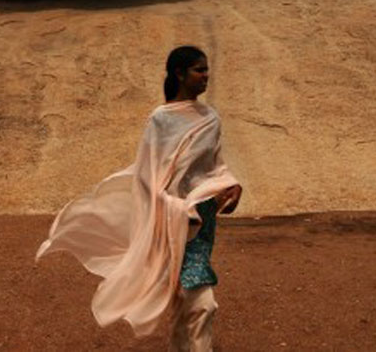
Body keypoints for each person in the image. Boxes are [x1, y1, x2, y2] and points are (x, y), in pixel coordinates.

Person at [36, 46, 241, 351]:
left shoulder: (210, 118)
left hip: (203, 221)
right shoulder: (160, 120)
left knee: (186, 298)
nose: (206, 75)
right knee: (201, 302)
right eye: (199, 69)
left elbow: (215, 166)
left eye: (206, 69)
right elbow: (148, 178)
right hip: (171, 221)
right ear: (179, 74)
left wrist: (232, 185)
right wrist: (177, 208)